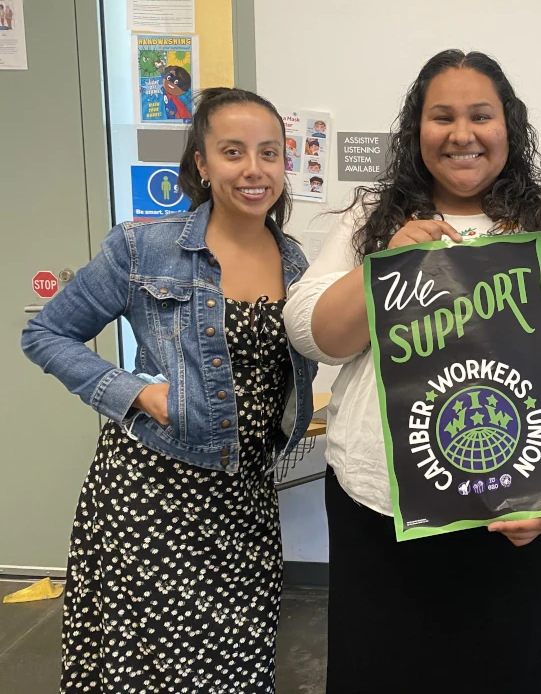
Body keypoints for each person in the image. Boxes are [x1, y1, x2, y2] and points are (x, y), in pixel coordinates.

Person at [282, 49, 541, 693]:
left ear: (509, 126)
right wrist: (381, 269)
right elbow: (313, 333)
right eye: (441, 117)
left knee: (515, 668)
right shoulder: (371, 220)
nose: (461, 134)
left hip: (519, 514)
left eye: (480, 116)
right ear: (418, 131)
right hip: (384, 513)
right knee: (392, 668)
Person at [21, 88, 320, 692]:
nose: (253, 169)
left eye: (269, 152)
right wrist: (133, 392)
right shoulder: (143, 248)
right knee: (154, 670)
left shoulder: (295, 261)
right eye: (232, 152)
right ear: (203, 165)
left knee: (240, 659)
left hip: (245, 502)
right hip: (153, 497)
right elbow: (45, 333)